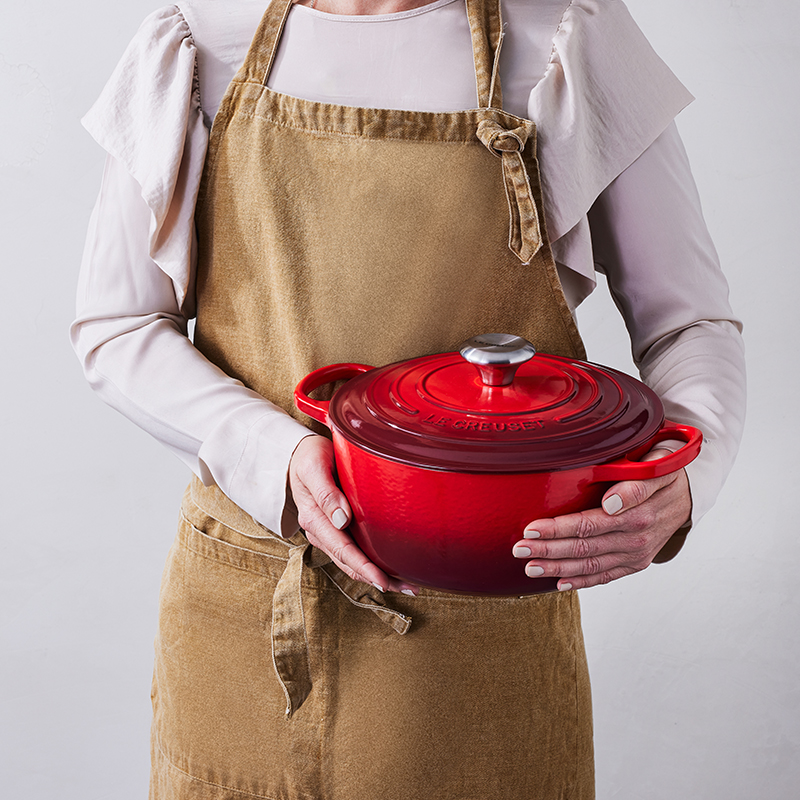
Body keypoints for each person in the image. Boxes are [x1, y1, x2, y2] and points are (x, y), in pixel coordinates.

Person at [71, 1, 746, 798]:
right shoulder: (197, 37)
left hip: (484, 644)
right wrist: (272, 452)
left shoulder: (568, 37)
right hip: (247, 616)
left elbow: (689, 322)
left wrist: (681, 480)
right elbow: (118, 324)